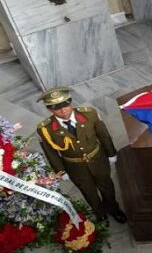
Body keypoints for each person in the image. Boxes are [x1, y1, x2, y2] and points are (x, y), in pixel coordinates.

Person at [36, 87, 126, 224]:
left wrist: (111, 153)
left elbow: (104, 136)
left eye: (65, 105)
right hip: (75, 166)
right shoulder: (45, 129)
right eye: (56, 108)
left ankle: (113, 208)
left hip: (98, 159)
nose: (63, 110)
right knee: (88, 191)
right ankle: (100, 213)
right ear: (49, 109)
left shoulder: (89, 115)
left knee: (107, 186)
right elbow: (51, 153)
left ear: (70, 102)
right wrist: (61, 171)